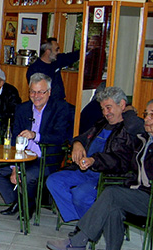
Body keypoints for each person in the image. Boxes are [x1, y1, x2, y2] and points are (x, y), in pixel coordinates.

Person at [47, 100, 153, 250]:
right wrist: (77, 143)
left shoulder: (133, 132)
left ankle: (79, 240)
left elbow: (131, 128)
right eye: (146, 114)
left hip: (148, 197)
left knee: (111, 194)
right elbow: (125, 160)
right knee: (114, 207)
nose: (147, 119)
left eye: (152, 115)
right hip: (136, 191)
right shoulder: (143, 140)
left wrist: (127, 110)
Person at [46, 87, 144, 224]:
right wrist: (77, 143)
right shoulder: (101, 124)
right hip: (85, 170)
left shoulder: (129, 130)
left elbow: (120, 161)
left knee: (80, 194)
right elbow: (83, 137)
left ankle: (87, 226)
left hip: (107, 176)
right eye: (103, 109)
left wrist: (94, 160)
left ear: (122, 105)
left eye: (108, 108)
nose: (105, 113)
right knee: (54, 181)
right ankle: (82, 221)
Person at [0, 73, 72, 216]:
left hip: (45, 158)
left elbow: (60, 137)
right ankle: (18, 202)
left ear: (49, 92)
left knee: (29, 175)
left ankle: (29, 206)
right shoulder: (22, 109)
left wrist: (35, 136)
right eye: (32, 92)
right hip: (22, 156)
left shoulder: (59, 108)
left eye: (40, 92)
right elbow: (15, 138)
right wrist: (14, 167)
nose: (36, 96)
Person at [26, 37, 80, 102]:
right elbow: (36, 92)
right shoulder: (34, 69)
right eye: (56, 50)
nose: (58, 52)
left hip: (59, 101)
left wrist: (86, 48)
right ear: (48, 51)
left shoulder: (57, 61)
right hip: (44, 102)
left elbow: (72, 56)